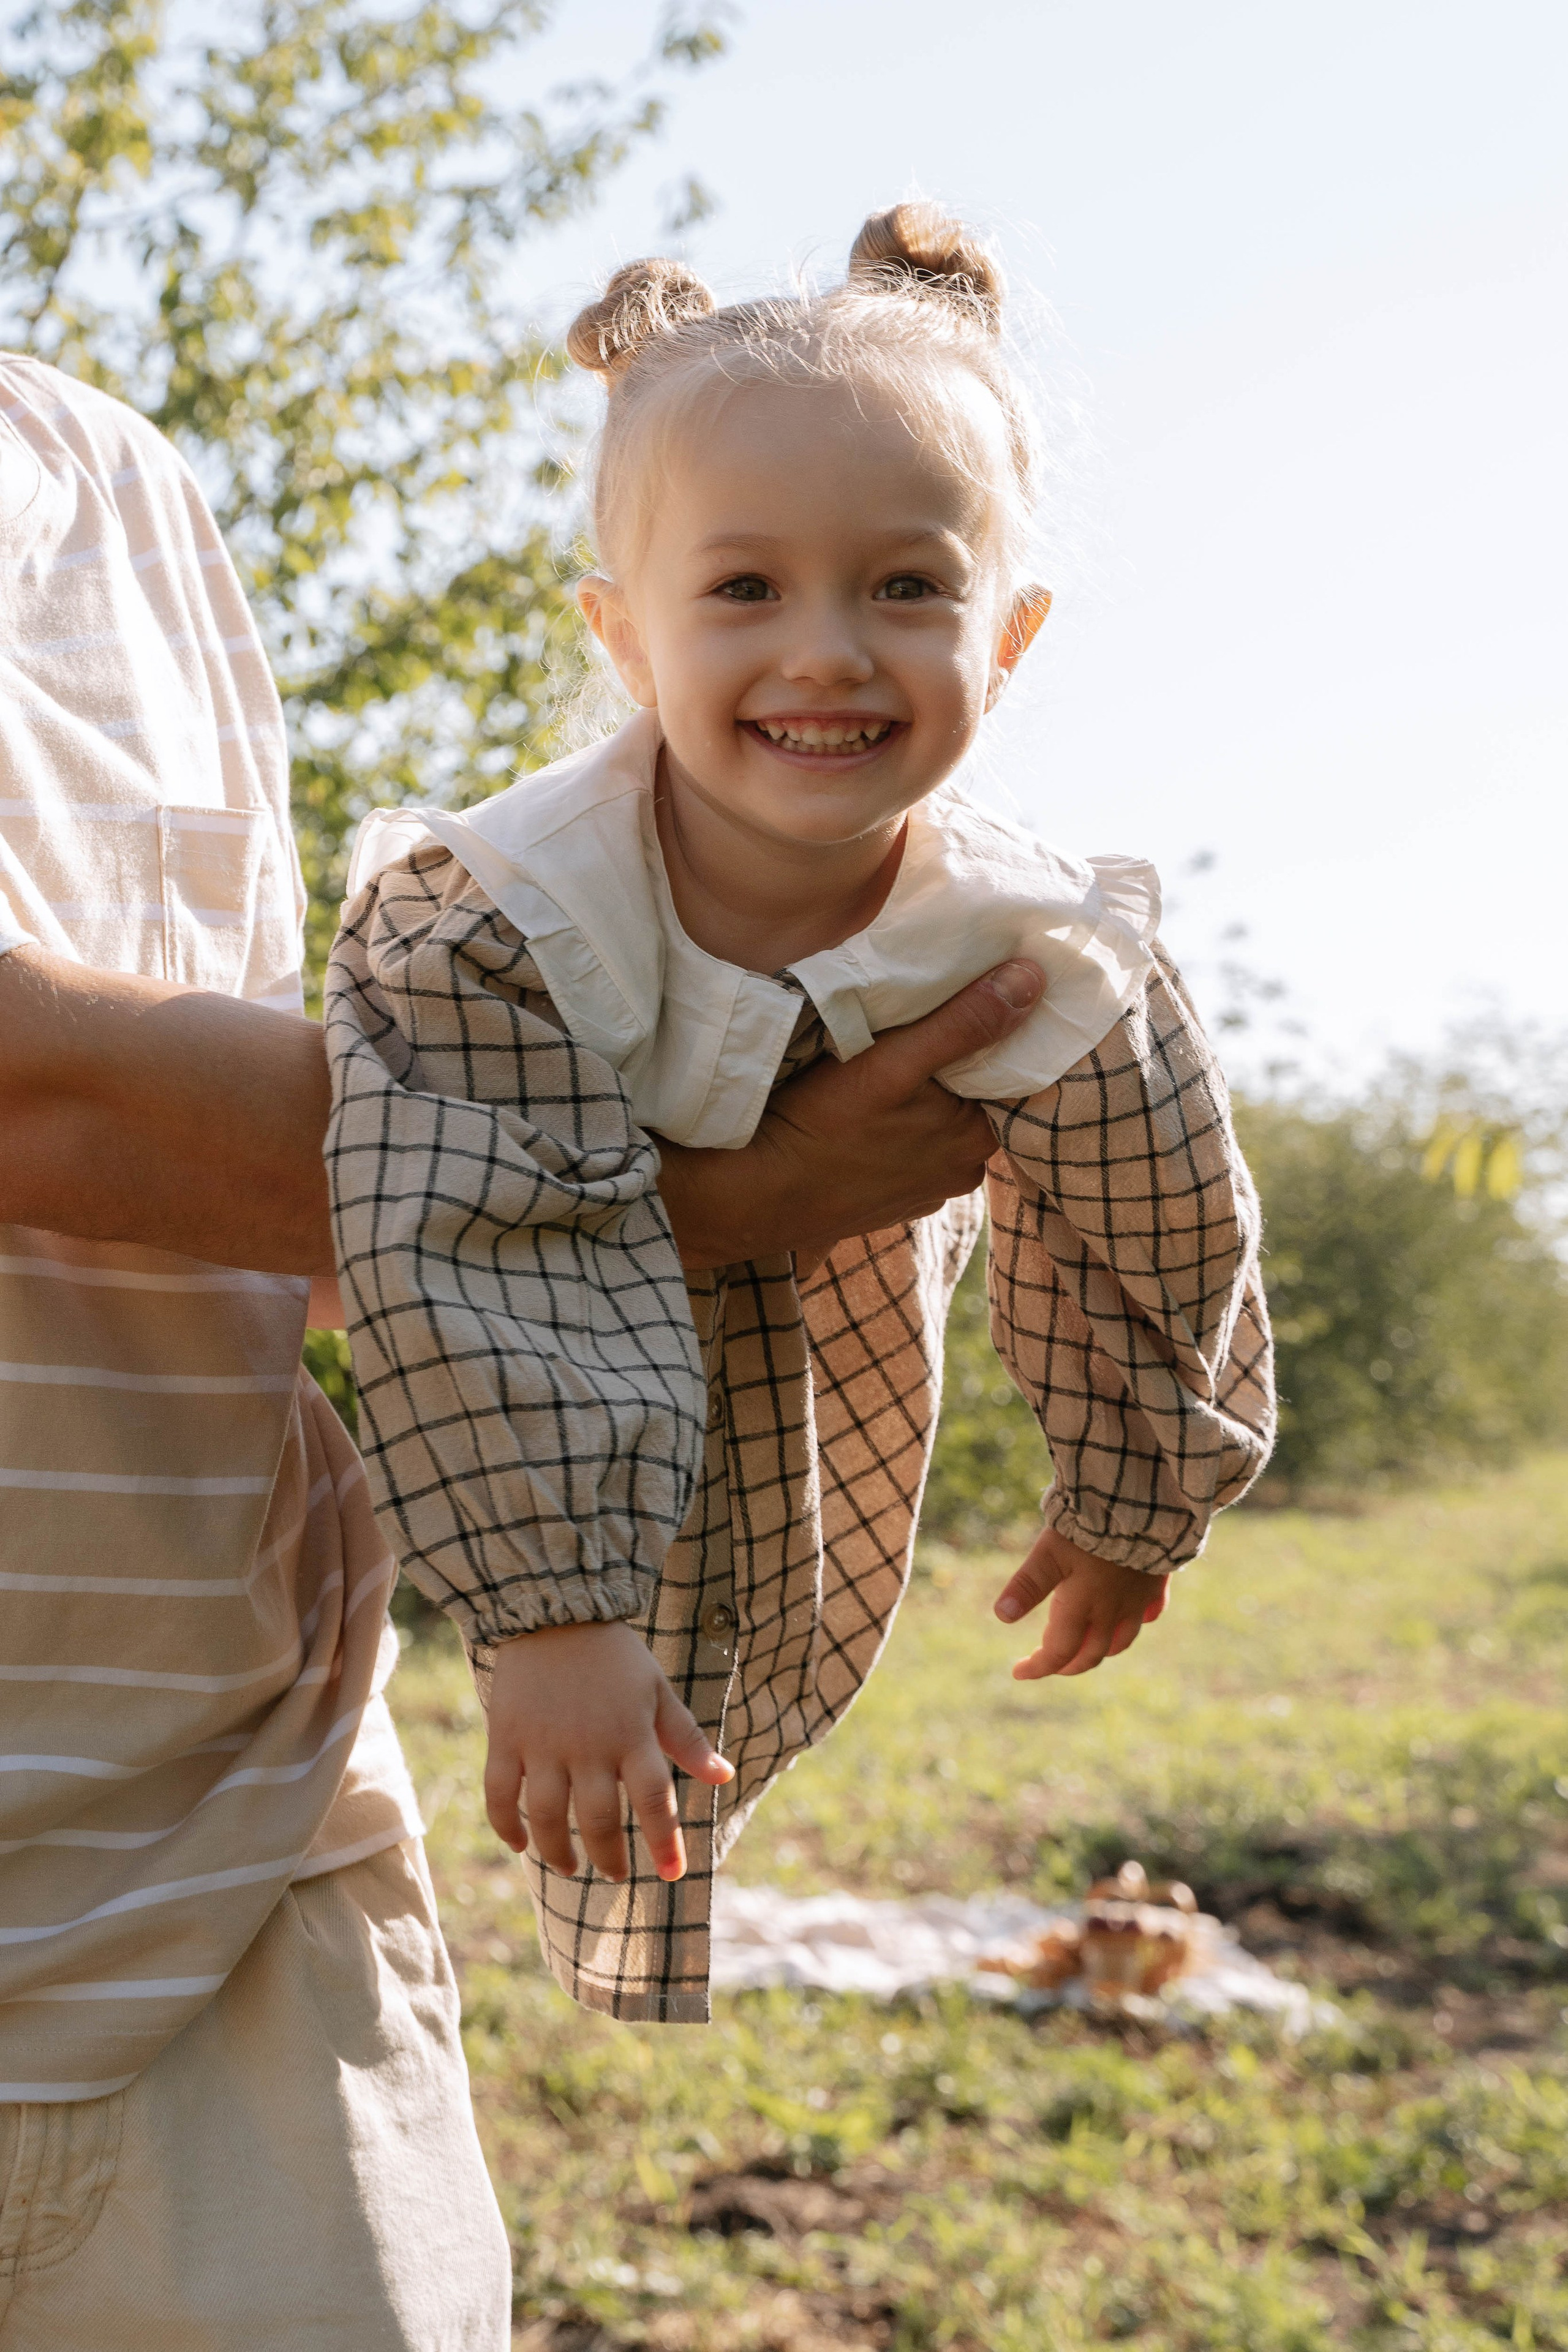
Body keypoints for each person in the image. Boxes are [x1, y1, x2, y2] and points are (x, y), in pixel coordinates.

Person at [0, 349, 1029, 2344]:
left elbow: (275, 1195)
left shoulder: (111, 475)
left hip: (229, 1871)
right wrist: (711, 1198)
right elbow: (45, 1097)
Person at [324, 201, 1276, 2028]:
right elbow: (458, 1248)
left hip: (833, 1319)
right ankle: (589, 1713)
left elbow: (1151, 1204)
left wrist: (1134, 1483)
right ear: (624, 634)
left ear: (1009, 637)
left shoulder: (1030, 937)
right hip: (527, 1315)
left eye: (907, 587)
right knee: (612, 1694)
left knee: (781, 1618)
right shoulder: (502, 920)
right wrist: (551, 1615)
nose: (829, 652)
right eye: (744, 590)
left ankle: (676, 1782)